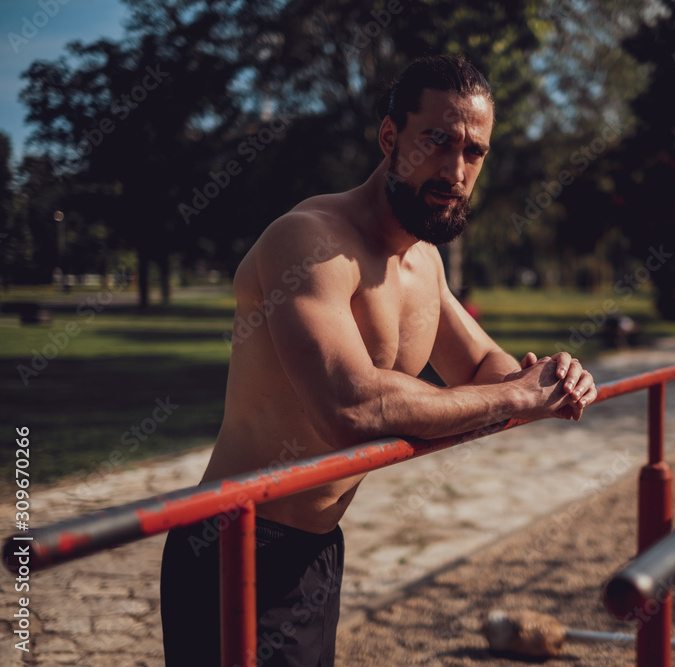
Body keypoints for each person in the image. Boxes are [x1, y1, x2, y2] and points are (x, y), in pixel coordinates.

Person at [159, 54, 597, 666]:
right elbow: (351, 407)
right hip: (233, 548)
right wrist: (516, 396)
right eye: (438, 141)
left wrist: (549, 378)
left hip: (316, 551)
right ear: (391, 137)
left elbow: (478, 369)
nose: (456, 169)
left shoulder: (424, 264)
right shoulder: (308, 241)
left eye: (475, 152)